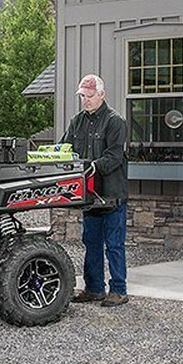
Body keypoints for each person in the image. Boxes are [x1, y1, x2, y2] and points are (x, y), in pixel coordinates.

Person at [63, 74, 129, 306]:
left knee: (114, 244)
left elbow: (114, 157)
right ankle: (94, 288)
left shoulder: (115, 121)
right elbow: (65, 149)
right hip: (89, 197)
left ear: (102, 94)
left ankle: (119, 290)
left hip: (111, 195)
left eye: (90, 96)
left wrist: (90, 165)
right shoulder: (77, 121)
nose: (86, 100)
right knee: (91, 243)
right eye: (82, 96)